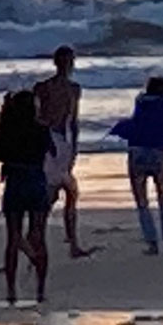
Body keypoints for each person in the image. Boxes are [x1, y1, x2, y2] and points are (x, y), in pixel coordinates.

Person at [110, 75, 163, 254]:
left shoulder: (140, 104)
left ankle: (152, 242)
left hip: (137, 151)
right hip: (159, 152)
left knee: (142, 201)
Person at [0, 89, 53, 304]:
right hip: (36, 179)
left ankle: (11, 290)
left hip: (15, 179)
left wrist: (2, 117)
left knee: (12, 237)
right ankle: (41, 289)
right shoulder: (41, 129)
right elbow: (50, 151)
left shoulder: (6, 129)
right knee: (39, 235)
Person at [33, 46, 96, 258]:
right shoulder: (45, 88)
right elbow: (38, 118)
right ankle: (42, 236)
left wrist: (73, 149)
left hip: (63, 140)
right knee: (55, 193)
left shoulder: (71, 88)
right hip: (51, 140)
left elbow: (73, 120)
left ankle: (69, 242)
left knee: (67, 191)